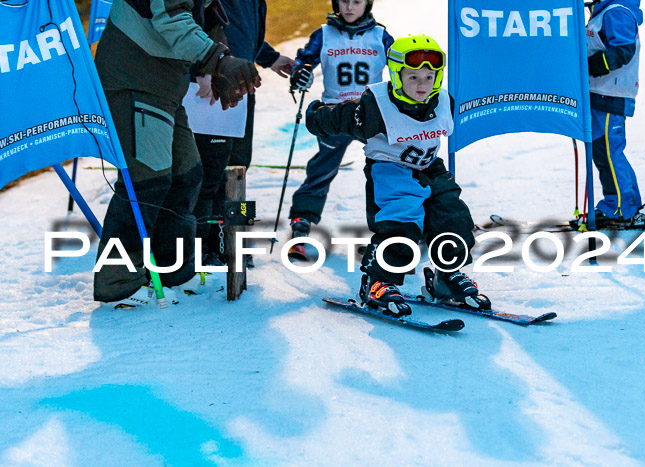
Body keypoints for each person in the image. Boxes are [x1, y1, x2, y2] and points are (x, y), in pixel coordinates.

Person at [304, 34, 489, 317]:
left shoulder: (443, 100)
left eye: (429, 77)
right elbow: (340, 117)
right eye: (413, 77)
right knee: (401, 223)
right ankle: (378, 282)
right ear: (396, 75)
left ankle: (447, 276)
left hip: (430, 167)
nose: (422, 85)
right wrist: (315, 115)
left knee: (453, 216)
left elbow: (463, 117)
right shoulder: (375, 106)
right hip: (389, 170)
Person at [92, 0, 260, 307]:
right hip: (134, 77)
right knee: (147, 180)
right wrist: (218, 60)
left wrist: (214, 66)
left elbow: (208, 16)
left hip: (167, 87)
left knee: (187, 174)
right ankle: (118, 284)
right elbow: (171, 18)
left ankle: (173, 273)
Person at [192, 0, 298, 266]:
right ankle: (203, 246)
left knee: (238, 168)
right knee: (210, 170)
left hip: (241, 88)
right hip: (211, 88)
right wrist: (201, 69)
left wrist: (270, 58)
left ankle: (234, 240)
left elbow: (243, 34)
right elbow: (195, 24)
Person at [286, 0, 394, 256]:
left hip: (370, 114)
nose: (349, 7)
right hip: (334, 114)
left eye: (357, 2)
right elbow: (304, 62)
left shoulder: (380, 35)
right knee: (323, 168)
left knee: (388, 168)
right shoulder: (324, 34)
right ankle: (301, 222)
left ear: (367, 4)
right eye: (344, 1)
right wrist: (300, 74)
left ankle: (394, 228)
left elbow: (401, 67)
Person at [587, 0, 644, 223]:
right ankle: (629, 203)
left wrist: (590, 67)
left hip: (610, 94)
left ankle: (618, 206)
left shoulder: (616, 12)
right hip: (602, 92)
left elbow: (623, 49)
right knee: (607, 151)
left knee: (608, 152)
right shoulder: (603, 12)